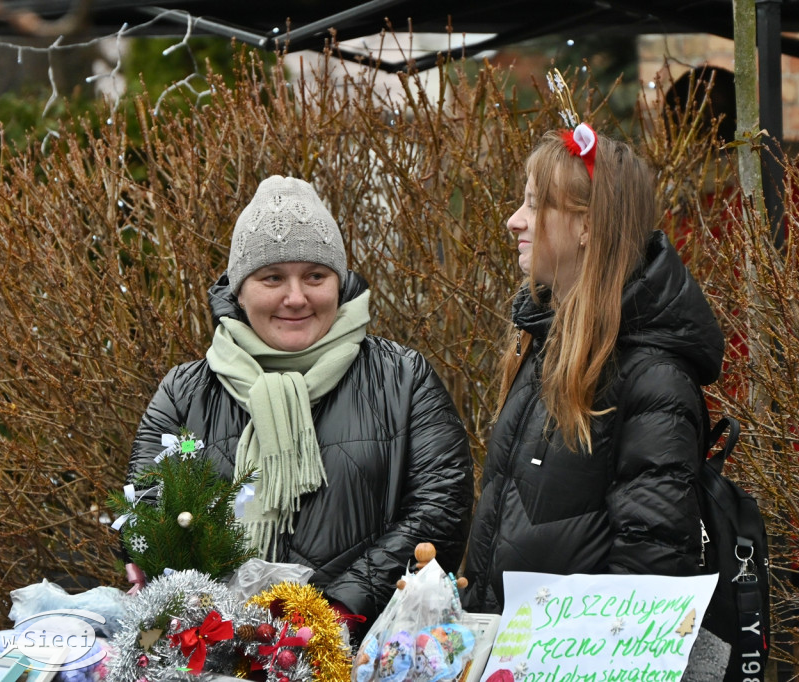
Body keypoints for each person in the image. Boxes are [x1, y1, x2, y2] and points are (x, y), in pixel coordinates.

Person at [128, 175, 474, 628]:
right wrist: (217, 621)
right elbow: (144, 513)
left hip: (365, 654)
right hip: (215, 655)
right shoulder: (184, 393)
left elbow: (441, 507)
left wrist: (337, 611)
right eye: (273, 278)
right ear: (239, 289)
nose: (296, 298)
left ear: (339, 282)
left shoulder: (403, 379)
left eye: (315, 276)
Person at [460, 124, 725, 613]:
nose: (514, 221)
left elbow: (652, 569)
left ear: (587, 226)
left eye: (536, 205)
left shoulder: (653, 379)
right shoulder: (544, 345)